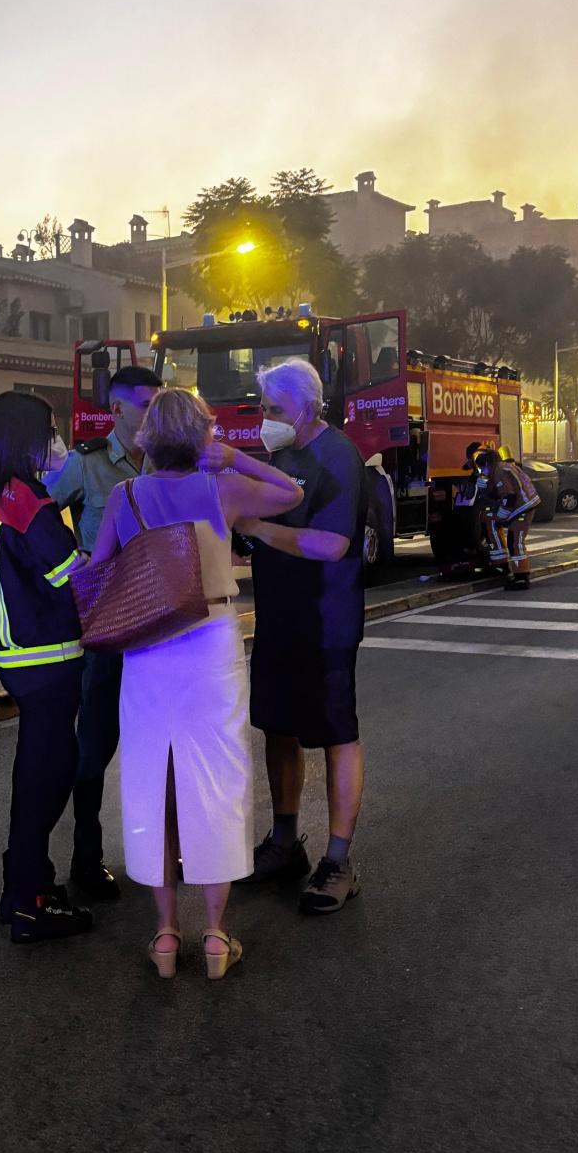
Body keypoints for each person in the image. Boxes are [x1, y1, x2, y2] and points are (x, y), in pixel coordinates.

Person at [83, 387, 300, 978]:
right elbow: (291, 493)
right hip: (211, 646)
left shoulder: (126, 495)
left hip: (147, 650)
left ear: (150, 436)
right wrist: (235, 457)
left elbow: (98, 568)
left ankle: (163, 934)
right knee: (216, 780)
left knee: (154, 779)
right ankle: (214, 934)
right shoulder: (219, 488)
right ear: (202, 433)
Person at [238, 358, 369, 914]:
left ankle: (339, 860)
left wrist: (258, 529)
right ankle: (285, 841)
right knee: (278, 728)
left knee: (337, 733)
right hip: (279, 616)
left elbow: (331, 544)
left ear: (307, 409)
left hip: (325, 619)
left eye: (273, 410)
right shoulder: (279, 456)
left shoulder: (338, 456)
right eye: (263, 408)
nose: (264, 420)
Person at [0, 392, 92, 944]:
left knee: (35, 770)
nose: (56, 441)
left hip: (15, 658)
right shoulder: (29, 503)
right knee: (48, 775)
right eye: (48, 431)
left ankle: (23, 885)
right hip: (48, 657)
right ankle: (28, 900)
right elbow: (73, 576)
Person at [47, 365, 161, 898]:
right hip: (108, 629)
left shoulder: (168, 464)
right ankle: (85, 861)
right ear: (116, 410)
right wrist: (77, 562)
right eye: (144, 405)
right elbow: (37, 519)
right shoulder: (86, 465)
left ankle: (159, 850)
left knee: (160, 746)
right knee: (94, 748)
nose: (153, 415)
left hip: (161, 630)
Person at [483, 445, 539, 591]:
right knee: (513, 539)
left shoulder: (500, 471)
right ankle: (509, 570)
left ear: (488, 464)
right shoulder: (504, 467)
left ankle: (521, 578)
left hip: (522, 507)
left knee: (515, 541)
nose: (483, 472)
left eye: (483, 468)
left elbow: (509, 497)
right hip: (524, 504)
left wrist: (501, 516)